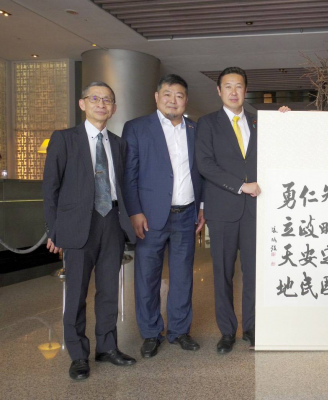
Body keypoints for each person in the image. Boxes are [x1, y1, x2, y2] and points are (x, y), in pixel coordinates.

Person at [43, 82, 137, 380]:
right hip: (77, 225)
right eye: (95, 98)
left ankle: (107, 347)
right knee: (76, 293)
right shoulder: (64, 139)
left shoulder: (119, 144)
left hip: (111, 221)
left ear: (114, 108)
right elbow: (50, 187)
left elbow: (123, 186)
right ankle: (78, 355)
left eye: (107, 100)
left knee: (109, 290)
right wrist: (54, 229)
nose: (101, 104)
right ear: (83, 104)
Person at [122, 74, 205, 358]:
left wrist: (202, 207)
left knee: (183, 277)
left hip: (186, 214)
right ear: (156, 97)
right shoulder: (137, 128)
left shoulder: (195, 129)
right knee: (147, 277)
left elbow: (202, 172)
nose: (173, 100)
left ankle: (179, 331)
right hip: (150, 217)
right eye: (167, 94)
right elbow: (129, 175)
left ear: (186, 100)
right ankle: (150, 333)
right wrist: (135, 211)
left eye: (179, 95)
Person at [196, 67, 259, 353]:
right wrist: (240, 186)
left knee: (253, 273)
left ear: (246, 91)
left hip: (255, 210)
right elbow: (205, 165)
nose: (234, 92)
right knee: (222, 274)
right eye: (228, 86)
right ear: (219, 91)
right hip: (222, 209)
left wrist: (284, 120)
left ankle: (252, 327)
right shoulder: (207, 124)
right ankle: (227, 331)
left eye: (239, 86)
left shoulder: (259, 122)